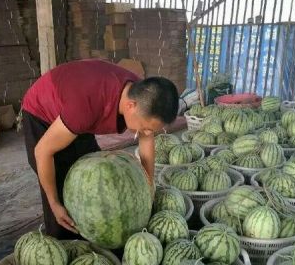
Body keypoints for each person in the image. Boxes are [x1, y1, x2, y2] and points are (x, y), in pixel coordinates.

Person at [20, 59, 179, 240]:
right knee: (60, 190)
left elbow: (146, 144)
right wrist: (54, 203)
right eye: (145, 127)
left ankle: (94, 237)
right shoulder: (86, 107)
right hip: (41, 112)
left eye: (152, 130)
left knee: (93, 176)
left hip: (75, 107)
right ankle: (62, 240)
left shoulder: (144, 97)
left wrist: (148, 186)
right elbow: (42, 151)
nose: (147, 133)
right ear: (130, 106)